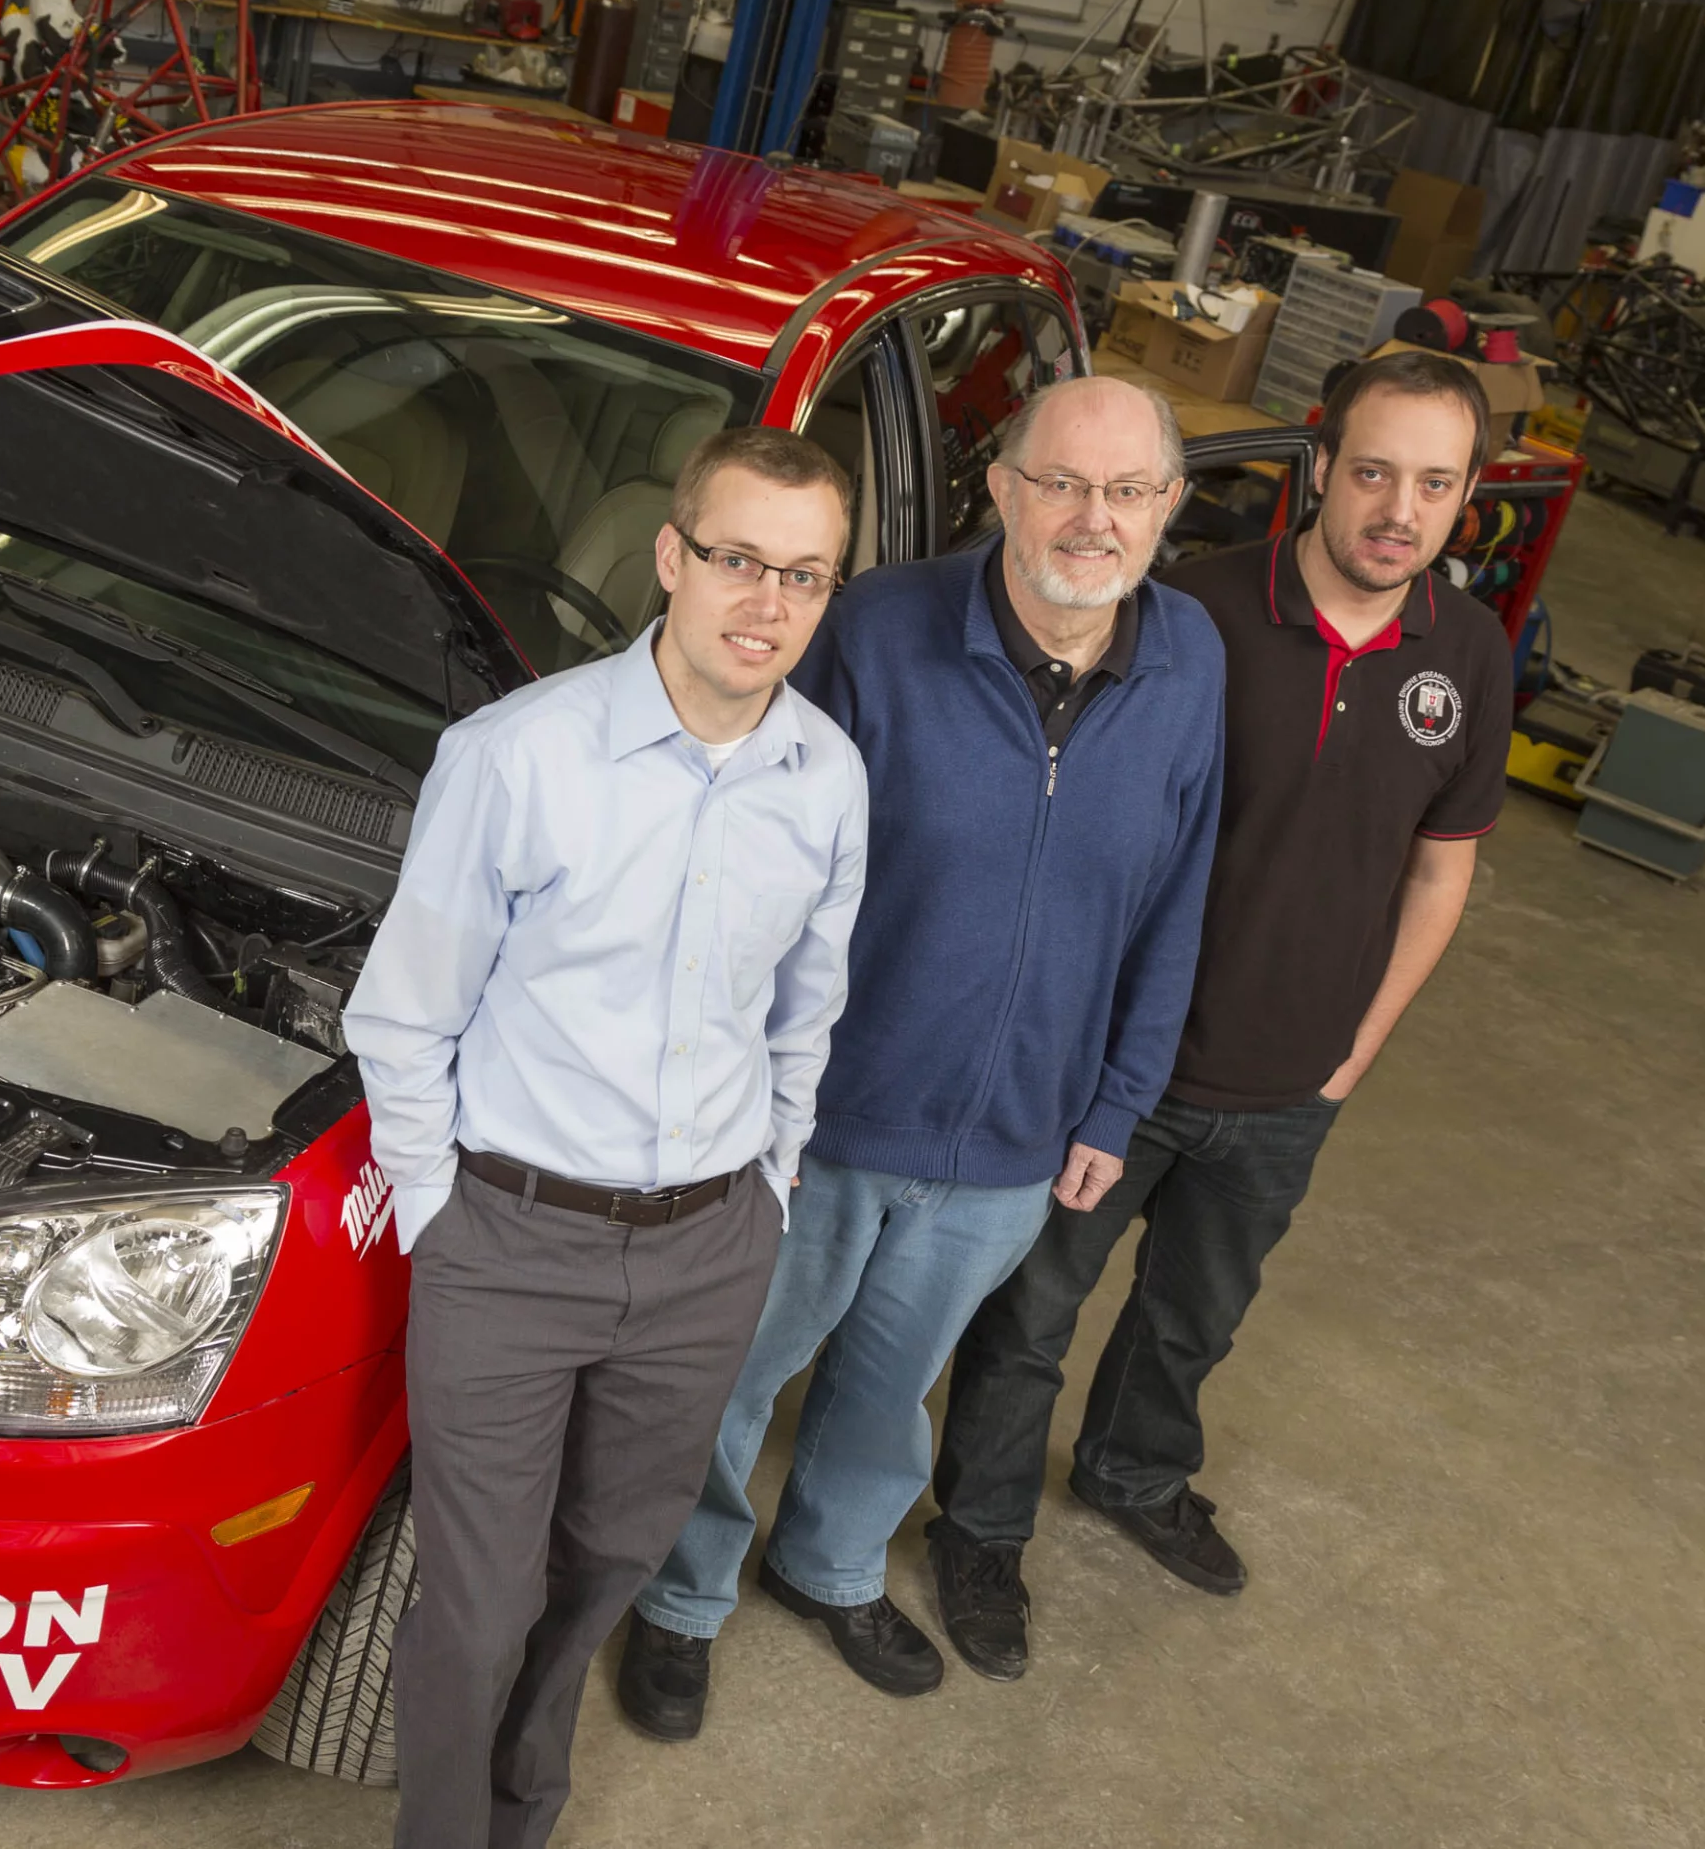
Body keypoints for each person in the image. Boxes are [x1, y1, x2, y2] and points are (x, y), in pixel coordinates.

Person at [623, 374, 1226, 1735]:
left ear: (1169, 507)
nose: (1093, 517)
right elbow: (752, 854)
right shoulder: (879, 631)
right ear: (1002, 490)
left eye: (1128, 490)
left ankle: (828, 1562)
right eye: (1062, 482)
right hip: (824, 1115)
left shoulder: (1189, 664)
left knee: (895, 1383)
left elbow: (1177, 898)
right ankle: (680, 1594)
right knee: (733, 1372)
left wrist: (1117, 1102)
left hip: (1018, 1133)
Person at [926, 350, 1511, 1680]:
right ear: (1318, 467)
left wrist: (1355, 1051)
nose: (1397, 510)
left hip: (1293, 1080)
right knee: (1031, 1313)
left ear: (1467, 497)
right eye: (1372, 471)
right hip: (1121, 1069)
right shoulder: (1187, 612)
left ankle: (1136, 1473)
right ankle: (980, 1527)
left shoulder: (1466, 653)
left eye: (1434, 483)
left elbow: (1442, 862)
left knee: (1196, 1312)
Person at [345, 426, 870, 1849]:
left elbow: (803, 1018)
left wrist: (766, 1184)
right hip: (510, 1237)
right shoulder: (517, 759)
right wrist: (441, 1211)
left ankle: (528, 1811)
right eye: (737, 561)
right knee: (479, 1592)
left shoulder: (827, 777)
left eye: (805, 576)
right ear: (670, 557)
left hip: (708, 1245)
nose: (765, 604)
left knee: (611, 1557)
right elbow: (402, 1018)